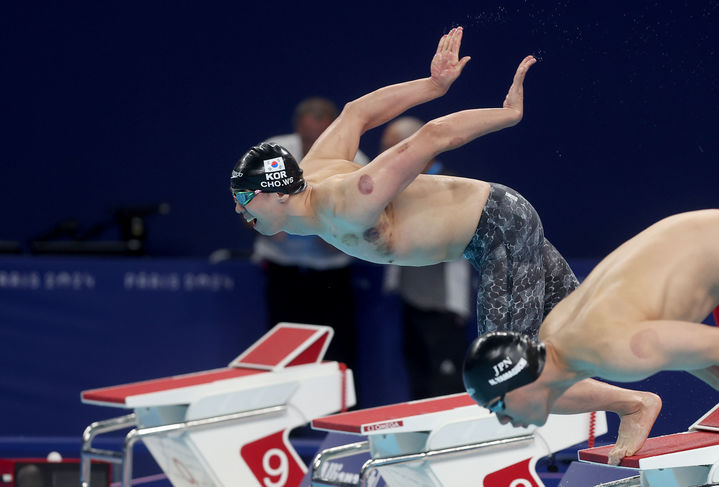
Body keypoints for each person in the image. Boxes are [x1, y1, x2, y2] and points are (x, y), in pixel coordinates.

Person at [230, 26, 659, 456]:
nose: (238, 210)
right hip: (488, 231)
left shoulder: (347, 203)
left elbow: (433, 135)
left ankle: (634, 404)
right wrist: (432, 85)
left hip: (498, 227)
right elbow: (355, 112)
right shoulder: (317, 165)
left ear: (276, 193)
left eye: (243, 197)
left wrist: (505, 115)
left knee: (503, 380)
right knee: (591, 331)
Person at [463, 209, 719, 465]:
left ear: (519, 380)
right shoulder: (555, 335)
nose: (502, 420)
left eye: (497, 407)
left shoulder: (615, 350)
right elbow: (685, 354)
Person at [252, 97, 369, 371]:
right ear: (297, 129)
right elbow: (244, 203)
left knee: (338, 356)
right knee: (284, 356)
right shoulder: (270, 154)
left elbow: (370, 218)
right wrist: (262, 223)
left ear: (332, 131)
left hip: (331, 277)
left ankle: (341, 411)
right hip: (283, 272)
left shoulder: (356, 160)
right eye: (307, 139)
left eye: (319, 139)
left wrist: (339, 235)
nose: (311, 147)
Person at [381, 116, 473, 398]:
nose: (383, 158)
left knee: (445, 388)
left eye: (391, 150)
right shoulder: (393, 184)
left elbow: (458, 245)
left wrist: (457, 306)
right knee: (418, 381)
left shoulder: (452, 185)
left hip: (444, 307)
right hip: (411, 301)